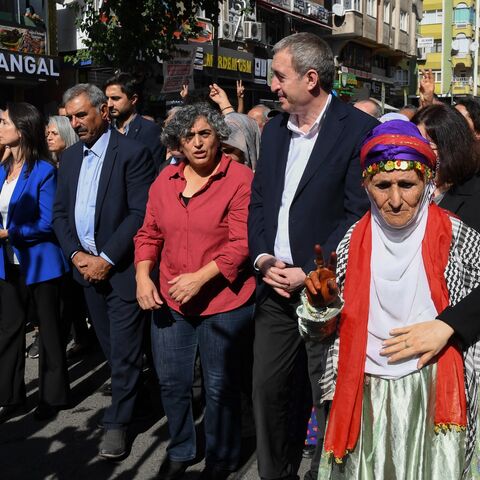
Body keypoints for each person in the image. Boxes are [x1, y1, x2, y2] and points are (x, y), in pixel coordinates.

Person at [301, 120, 480, 479]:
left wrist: (447, 326)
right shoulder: (352, 240)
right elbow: (323, 334)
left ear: (427, 182)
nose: (395, 200)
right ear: (366, 185)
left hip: (434, 391)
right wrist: (320, 306)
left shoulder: (457, 235)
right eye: (383, 185)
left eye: (407, 185)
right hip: (365, 393)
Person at [247, 32, 378, 480]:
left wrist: (311, 272)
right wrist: (263, 259)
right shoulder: (275, 130)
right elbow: (260, 200)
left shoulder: (358, 131)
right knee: (267, 392)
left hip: (326, 292)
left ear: (312, 78)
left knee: (328, 397)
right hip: (273, 287)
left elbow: (358, 216)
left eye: (280, 77)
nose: (274, 87)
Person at [134, 103, 255, 480]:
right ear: (177, 143)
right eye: (189, 137)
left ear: (218, 136)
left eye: (205, 134)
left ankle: (222, 456)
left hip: (225, 302)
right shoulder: (163, 182)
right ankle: (182, 447)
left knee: (220, 386)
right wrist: (142, 276)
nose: (199, 143)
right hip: (171, 300)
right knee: (172, 381)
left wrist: (201, 277)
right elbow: (149, 234)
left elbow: (241, 242)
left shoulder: (240, 179)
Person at [52, 83, 155, 459]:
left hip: (121, 270)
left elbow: (139, 214)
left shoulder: (132, 153)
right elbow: (60, 213)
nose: (75, 123)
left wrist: (107, 259)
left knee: (126, 352)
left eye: (82, 115)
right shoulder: (73, 158)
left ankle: (118, 424)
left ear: (103, 112)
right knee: (113, 349)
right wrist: (77, 255)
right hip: (85, 270)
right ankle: (139, 396)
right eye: (71, 118)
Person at [0, 103, 70, 423]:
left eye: (4, 122)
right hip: (8, 263)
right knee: (10, 330)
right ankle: (11, 396)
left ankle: (52, 396)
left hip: (41, 262)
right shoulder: (3, 169)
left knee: (49, 331)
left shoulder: (43, 170)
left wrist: (7, 231)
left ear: (22, 129)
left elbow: (47, 222)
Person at [104, 72, 163, 171]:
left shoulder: (150, 131)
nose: (109, 104)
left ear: (133, 99)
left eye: (115, 98)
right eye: (107, 98)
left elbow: (154, 171)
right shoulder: (105, 131)